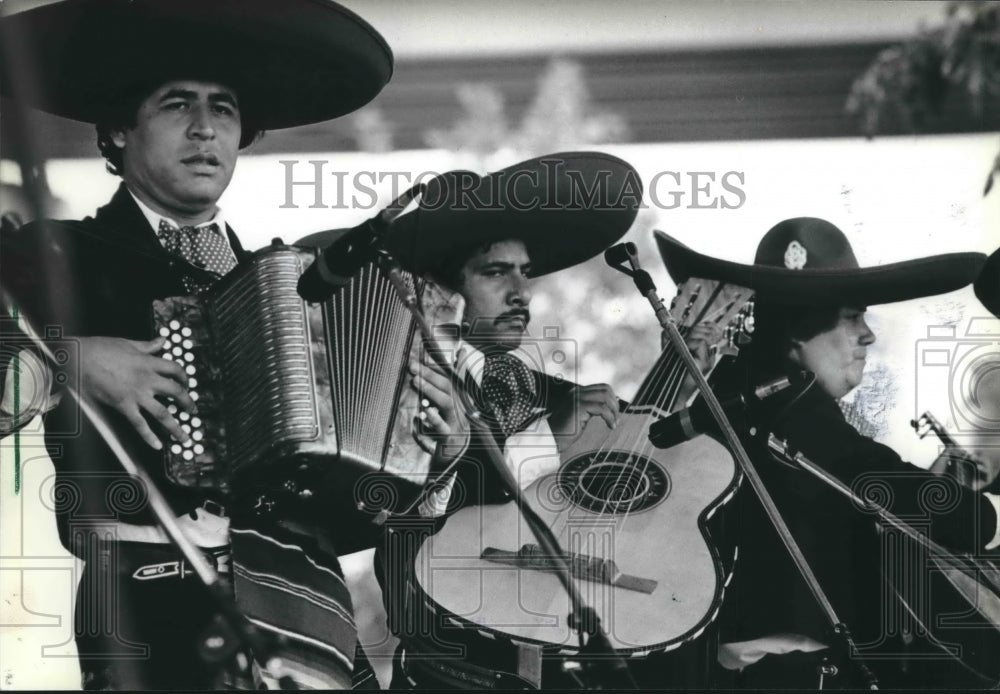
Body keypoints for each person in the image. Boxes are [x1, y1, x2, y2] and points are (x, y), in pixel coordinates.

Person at [0, 0, 392, 689]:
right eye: (177, 105)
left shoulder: (290, 284)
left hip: (309, 610)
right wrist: (73, 361)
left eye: (224, 108)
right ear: (120, 129)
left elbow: (351, 498)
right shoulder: (56, 254)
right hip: (153, 602)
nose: (206, 128)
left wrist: (419, 447)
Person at [656, 218, 999, 689]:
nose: (868, 336)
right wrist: (945, 492)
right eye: (853, 316)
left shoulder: (725, 405)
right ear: (800, 330)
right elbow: (971, 518)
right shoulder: (799, 418)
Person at [367, 153, 640, 689]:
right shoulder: (402, 384)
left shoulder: (547, 390)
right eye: (496, 273)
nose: (522, 293)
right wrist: (552, 435)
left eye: (526, 272)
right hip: (448, 671)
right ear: (444, 292)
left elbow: (634, 444)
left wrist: (690, 370)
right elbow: (429, 526)